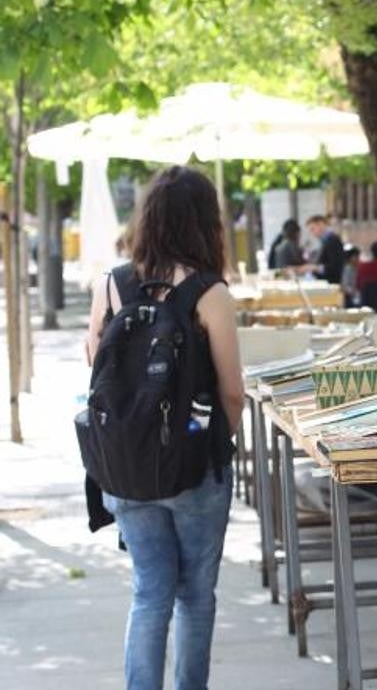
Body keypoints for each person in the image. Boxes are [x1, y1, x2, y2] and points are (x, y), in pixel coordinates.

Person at [85, 166, 243, 690]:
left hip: (127, 466)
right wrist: (216, 445)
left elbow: (96, 367)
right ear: (205, 223)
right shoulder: (209, 292)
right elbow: (232, 391)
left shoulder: (112, 285)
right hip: (194, 467)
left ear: (147, 218)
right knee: (195, 594)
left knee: (149, 592)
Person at [301, 214, 346, 284]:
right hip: (325, 282)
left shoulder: (332, 240)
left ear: (320, 224)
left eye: (312, 229)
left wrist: (314, 268)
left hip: (330, 283)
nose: (311, 233)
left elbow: (334, 267)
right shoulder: (326, 240)